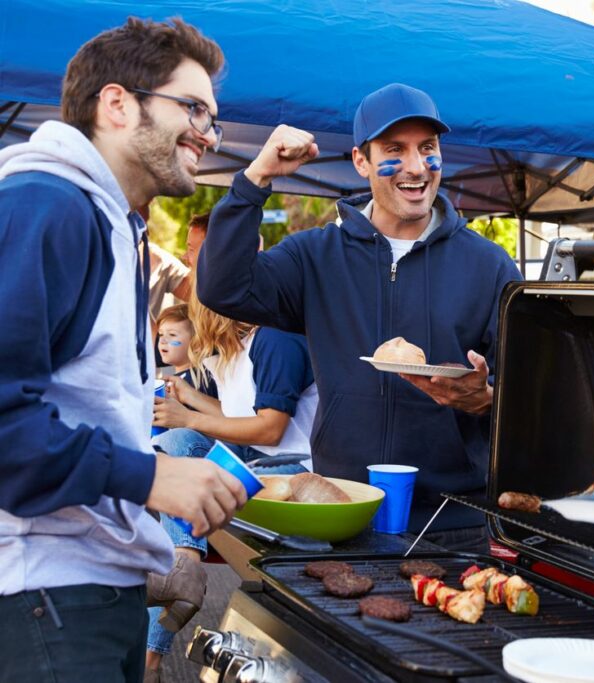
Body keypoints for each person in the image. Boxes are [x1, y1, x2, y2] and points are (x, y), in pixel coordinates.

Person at [0, 18, 246, 683]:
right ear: (116, 104)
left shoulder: (115, 225)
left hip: (88, 592)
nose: (207, 132)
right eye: (191, 107)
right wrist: (153, 477)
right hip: (41, 599)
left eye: (214, 119)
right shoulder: (48, 205)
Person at [197, 83, 521, 550]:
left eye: (426, 149)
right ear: (360, 161)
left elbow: (534, 403)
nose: (415, 167)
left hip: (453, 523)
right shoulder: (315, 255)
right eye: (394, 150)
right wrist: (256, 179)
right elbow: (222, 286)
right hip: (339, 511)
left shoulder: (489, 265)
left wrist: (487, 400)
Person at [146, 291, 316, 677]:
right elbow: (235, 415)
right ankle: (182, 568)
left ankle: (184, 568)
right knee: (171, 446)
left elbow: (271, 429)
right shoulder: (233, 352)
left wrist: (187, 419)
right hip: (257, 462)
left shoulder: (275, 339)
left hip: (293, 471)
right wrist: (187, 398)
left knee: (177, 443)